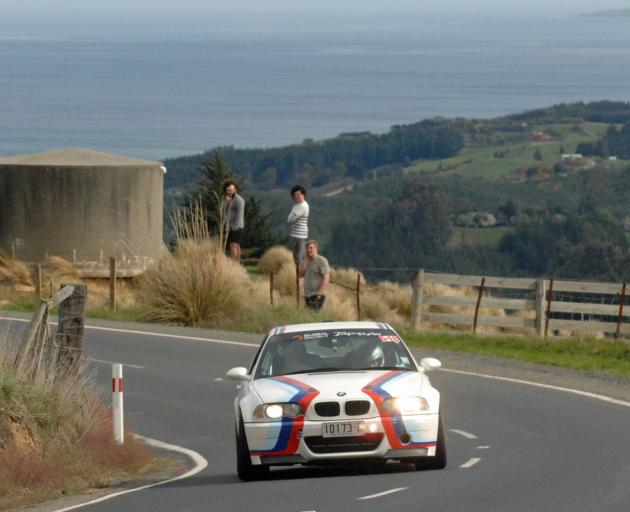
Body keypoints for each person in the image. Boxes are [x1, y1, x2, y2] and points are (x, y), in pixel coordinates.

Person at [299, 239, 330, 311]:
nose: (308, 249)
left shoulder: (321, 260)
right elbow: (300, 275)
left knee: (311, 314)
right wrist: (305, 260)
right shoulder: (306, 262)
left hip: (316, 295)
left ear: (316, 248)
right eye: (307, 248)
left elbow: (326, 278)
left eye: (311, 248)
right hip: (307, 295)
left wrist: (319, 294)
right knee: (308, 317)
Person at [222, 179, 245, 261]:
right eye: (227, 190)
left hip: (236, 227)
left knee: (233, 245)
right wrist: (226, 202)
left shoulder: (239, 200)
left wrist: (235, 227)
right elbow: (222, 210)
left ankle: (233, 264)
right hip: (230, 226)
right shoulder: (228, 199)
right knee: (236, 245)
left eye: (231, 190)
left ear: (235, 190)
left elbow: (240, 214)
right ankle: (237, 264)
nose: (229, 192)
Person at [287, 185, 309, 266]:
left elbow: (291, 219)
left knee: (299, 256)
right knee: (295, 256)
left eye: (298, 194)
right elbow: (289, 218)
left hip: (300, 235)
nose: (296, 197)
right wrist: (292, 217)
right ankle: (296, 273)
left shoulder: (303, 206)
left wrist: (292, 217)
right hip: (294, 234)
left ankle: (300, 275)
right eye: (295, 195)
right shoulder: (296, 206)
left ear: (303, 194)